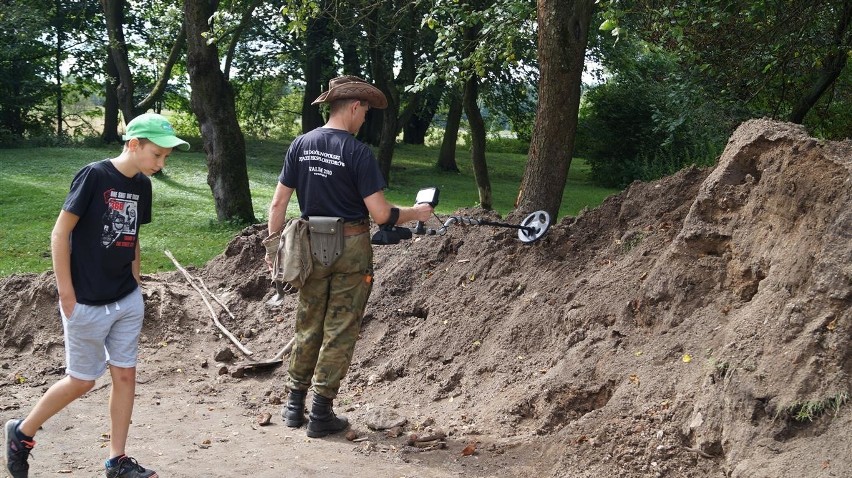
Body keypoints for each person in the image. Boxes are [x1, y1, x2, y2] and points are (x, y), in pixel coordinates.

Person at [4, 113, 189, 478]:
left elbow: (132, 236)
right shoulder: (94, 175)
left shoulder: (142, 185)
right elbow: (60, 234)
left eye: (166, 157)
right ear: (134, 145)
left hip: (125, 298)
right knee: (82, 380)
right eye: (157, 155)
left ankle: (116, 460)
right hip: (86, 299)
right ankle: (21, 433)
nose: (161, 163)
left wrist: (136, 283)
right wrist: (67, 294)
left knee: (125, 376)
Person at [266, 75, 433, 438]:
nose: (364, 120)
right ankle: (321, 413)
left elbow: (278, 202)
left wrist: (273, 247)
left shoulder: (301, 144)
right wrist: (417, 213)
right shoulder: (357, 153)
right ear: (354, 107)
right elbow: (381, 215)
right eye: (365, 113)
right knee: (340, 328)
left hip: (309, 246)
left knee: (308, 321)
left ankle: (294, 407)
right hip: (351, 248)